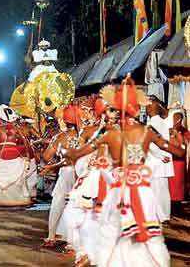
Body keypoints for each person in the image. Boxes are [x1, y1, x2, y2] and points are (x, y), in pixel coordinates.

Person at [68, 76, 184, 267]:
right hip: (142, 193)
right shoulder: (148, 132)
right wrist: (177, 135)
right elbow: (179, 151)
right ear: (136, 108)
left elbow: (77, 154)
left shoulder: (110, 134)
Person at [40, 104, 83, 248]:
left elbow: (46, 156)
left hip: (66, 173)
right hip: (83, 174)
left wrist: (53, 163)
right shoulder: (85, 135)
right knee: (79, 205)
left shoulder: (60, 137)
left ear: (65, 121)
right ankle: (75, 239)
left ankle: (52, 236)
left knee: (58, 202)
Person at [146, 96, 174, 221]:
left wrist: (159, 156)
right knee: (162, 189)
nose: (147, 109)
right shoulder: (161, 122)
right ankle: (164, 214)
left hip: (156, 161)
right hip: (161, 160)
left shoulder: (153, 123)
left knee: (157, 189)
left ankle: (160, 215)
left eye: (148, 106)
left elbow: (151, 144)